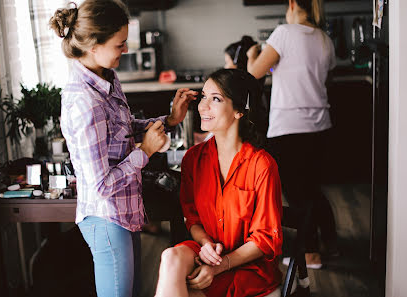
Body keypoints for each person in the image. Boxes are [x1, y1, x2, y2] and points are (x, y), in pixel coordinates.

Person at [49, 1, 197, 296]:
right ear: (94, 46)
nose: (125, 50)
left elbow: (125, 125)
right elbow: (101, 185)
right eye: (120, 44)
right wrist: (145, 152)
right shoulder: (84, 103)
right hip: (105, 218)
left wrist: (169, 119)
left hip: (126, 210)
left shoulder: (107, 77)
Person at [155, 69, 283, 297]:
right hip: (206, 251)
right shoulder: (193, 159)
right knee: (170, 257)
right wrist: (206, 246)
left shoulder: (261, 165)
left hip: (246, 265)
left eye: (216, 99)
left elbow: (266, 238)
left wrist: (220, 265)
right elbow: (192, 218)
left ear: (239, 111)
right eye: (203, 96)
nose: (203, 106)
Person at [246, 0, 338, 269]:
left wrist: (254, 55)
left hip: (289, 126)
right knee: (310, 188)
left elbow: (253, 74)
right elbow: (323, 78)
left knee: (297, 193)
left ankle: (309, 252)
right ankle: (328, 243)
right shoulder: (325, 39)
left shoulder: (284, 33)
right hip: (320, 125)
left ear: (293, 4)